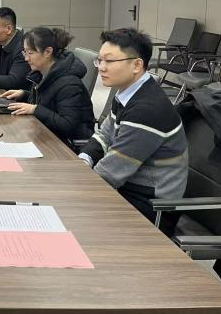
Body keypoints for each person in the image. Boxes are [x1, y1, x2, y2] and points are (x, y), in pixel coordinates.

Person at [78, 28, 188, 236]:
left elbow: (111, 172)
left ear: (137, 65)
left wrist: (75, 185)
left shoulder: (147, 110)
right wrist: (84, 159)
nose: (102, 67)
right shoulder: (128, 94)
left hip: (150, 208)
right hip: (127, 190)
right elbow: (105, 135)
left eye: (109, 61)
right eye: (99, 60)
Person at [1, 27, 95, 148]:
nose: (26, 58)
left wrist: (35, 109)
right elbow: (50, 100)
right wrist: (25, 94)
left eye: (30, 53)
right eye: (25, 52)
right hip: (49, 135)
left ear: (48, 52)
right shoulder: (43, 72)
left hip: (68, 146)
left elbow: (67, 125)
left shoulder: (69, 84)